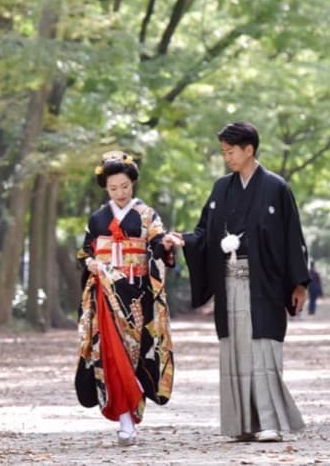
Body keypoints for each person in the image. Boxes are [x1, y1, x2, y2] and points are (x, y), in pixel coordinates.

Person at [169, 122, 309, 443]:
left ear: (249, 150)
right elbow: (205, 232)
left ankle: (270, 422)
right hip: (229, 281)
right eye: (224, 153)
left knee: (263, 349)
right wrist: (185, 241)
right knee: (235, 351)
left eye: (231, 152)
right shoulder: (221, 189)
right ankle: (242, 424)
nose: (227, 158)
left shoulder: (276, 187)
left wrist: (299, 283)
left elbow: (292, 238)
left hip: (265, 284)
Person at [75, 150, 177, 447]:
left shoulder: (147, 216)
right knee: (112, 356)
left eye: (125, 187)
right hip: (106, 297)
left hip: (138, 296)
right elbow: (85, 253)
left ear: (133, 183)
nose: (120, 193)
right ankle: (125, 421)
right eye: (113, 188)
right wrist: (91, 264)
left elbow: (158, 243)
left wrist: (166, 244)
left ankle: (130, 415)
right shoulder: (98, 219)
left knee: (136, 356)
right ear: (106, 188)